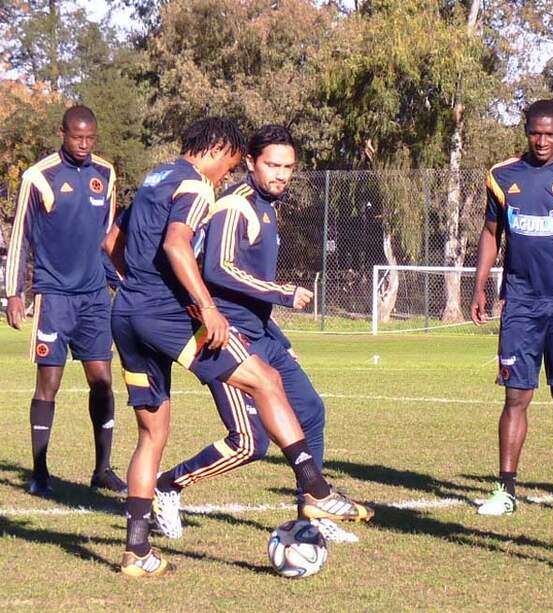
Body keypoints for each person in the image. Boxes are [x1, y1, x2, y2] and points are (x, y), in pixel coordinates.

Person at [106, 117, 372, 578]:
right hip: (167, 315)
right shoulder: (196, 186)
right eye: (230, 162)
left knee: (152, 434)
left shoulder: (156, 176)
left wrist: (134, 289)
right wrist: (206, 308)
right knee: (264, 382)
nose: (227, 174)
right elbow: (176, 244)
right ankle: (315, 487)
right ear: (222, 149)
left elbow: (112, 241)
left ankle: (137, 552)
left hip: (126, 314)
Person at [152, 125, 354, 543]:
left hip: (262, 336)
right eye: (272, 165)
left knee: (311, 411)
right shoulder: (234, 205)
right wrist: (283, 292)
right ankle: (166, 486)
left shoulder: (267, 207)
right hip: (227, 339)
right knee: (250, 443)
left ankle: (311, 512)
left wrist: (279, 338)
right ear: (250, 163)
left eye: (288, 167)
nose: (281, 175)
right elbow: (218, 269)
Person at [471, 99, 553, 516]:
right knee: (515, 396)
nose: (542, 141)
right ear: (526, 131)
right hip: (520, 303)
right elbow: (491, 234)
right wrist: (480, 287)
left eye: (550, 134)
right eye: (535, 133)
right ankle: (505, 490)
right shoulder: (503, 176)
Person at [5, 105, 126, 496]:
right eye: (78, 138)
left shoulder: (105, 173)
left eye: (91, 138)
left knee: (103, 382)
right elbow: (21, 236)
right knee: (49, 384)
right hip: (54, 297)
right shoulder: (38, 177)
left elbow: (109, 239)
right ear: (63, 134)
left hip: (94, 298)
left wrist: (123, 282)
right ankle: (40, 473)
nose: (85, 145)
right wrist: (14, 292)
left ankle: (102, 469)